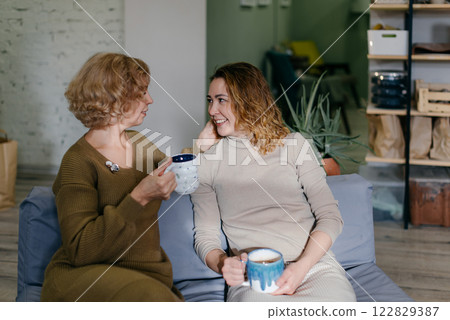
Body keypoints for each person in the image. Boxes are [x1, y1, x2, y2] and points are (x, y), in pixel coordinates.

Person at [190, 62, 356, 302]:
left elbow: (330, 216)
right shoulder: (206, 162)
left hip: (314, 267)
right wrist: (222, 262)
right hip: (254, 275)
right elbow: (205, 235)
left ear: (248, 100)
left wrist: (301, 267)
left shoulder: (295, 145)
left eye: (221, 100)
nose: (212, 110)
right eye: (210, 100)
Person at [41, 52, 184, 301]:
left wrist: (203, 148)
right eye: (141, 93)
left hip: (145, 275)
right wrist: (138, 197)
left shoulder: (141, 144)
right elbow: (79, 250)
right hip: (84, 274)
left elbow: (177, 169)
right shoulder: (78, 161)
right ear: (114, 98)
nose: (150, 100)